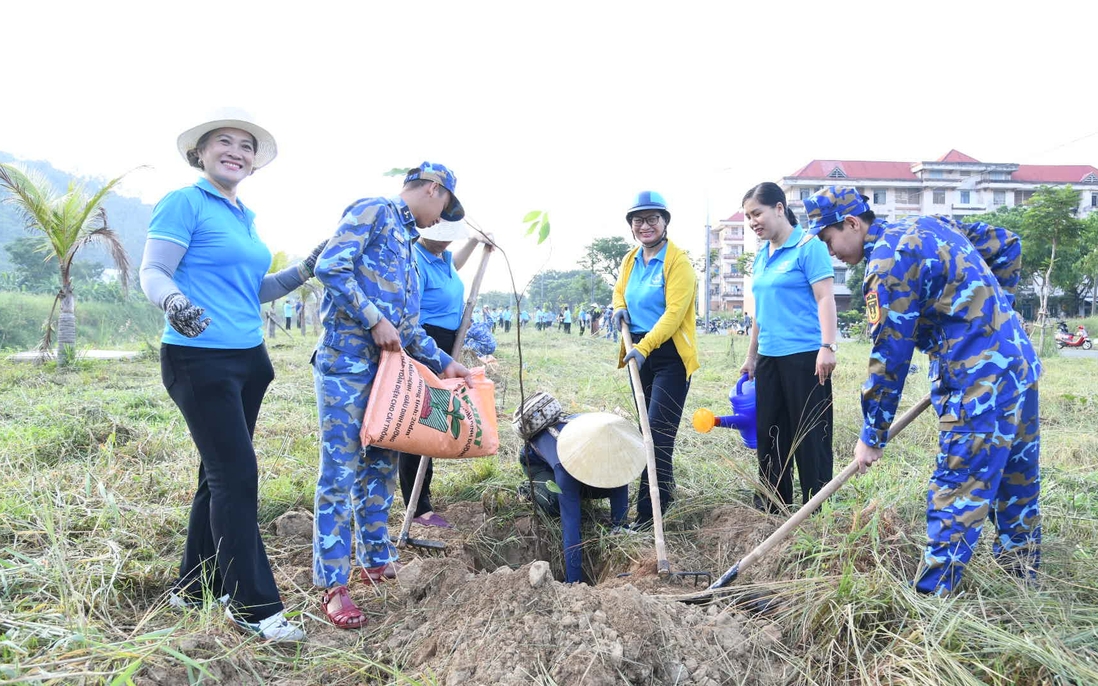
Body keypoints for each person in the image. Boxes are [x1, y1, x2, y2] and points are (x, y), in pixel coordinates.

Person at [139, 110, 324, 642]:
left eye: (246, 146)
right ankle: (254, 607)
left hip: (248, 360)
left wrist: (305, 267)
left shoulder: (243, 214)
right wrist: (173, 300)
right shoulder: (185, 202)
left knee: (215, 475)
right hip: (199, 361)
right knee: (236, 477)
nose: (237, 152)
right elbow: (154, 270)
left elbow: (254, 289)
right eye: (225, 142)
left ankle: (196, 585)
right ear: (201, 151)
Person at [805, 185, 1041, 596]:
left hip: (978, 387)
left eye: (829, 240)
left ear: (852, 223)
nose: (831, 252)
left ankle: (932, 603)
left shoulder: (887, 265)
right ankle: (1022, 590)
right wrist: (995, 315)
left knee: (957, 489)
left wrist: (871, 436)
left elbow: (889, 359)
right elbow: (1006, 245)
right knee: (1016, 487)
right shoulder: (929, 224)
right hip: (1019, 368)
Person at [312, 162, 473, 628]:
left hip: (389, 375)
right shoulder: (374, 211)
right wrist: (372, 319)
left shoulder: (406, 245)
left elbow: (406, 328)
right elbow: (330, 266)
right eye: (443, 204)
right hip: (346, 367)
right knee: (340, 473)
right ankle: (334, 586)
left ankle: (376, 559)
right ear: (432, 189)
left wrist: (446, 363)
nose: (440, 216)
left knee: (380, 467)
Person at [739, 182, 837, 513]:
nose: (753, 222)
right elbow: (759, 314)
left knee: (811, 436)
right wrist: (752, 356)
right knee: (771, 435)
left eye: (757, 213)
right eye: (749, 217)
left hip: (806, 357)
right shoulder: (760, 258)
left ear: (779, 208)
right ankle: (773, 507)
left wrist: (828, 345)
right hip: (769, 357)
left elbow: (825, 297)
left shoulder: (809, 247)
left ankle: (816, 509)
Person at [397, 219, 492, 530]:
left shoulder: (442, 257)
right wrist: (433, 351)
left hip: (448, 347)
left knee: (435, 423)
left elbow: (456, 263)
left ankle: (423, 499)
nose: (444, 244)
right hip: (425, 346)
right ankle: (418, 508)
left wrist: (477, 242)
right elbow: (409, 315)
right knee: (419, 428)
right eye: (438, 238)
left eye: (448, 239)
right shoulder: (416, 260)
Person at [611, 191, 698, 528]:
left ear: (665, 223)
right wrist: (619, 306)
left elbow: (674, 314)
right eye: (638, 220)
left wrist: (645, 347)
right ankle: (665, 498)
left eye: (652, 219)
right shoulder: (630, 259)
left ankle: (649, 515)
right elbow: (620, 290)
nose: (644, 225)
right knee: (645, 430)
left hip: (669, 357)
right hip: (639, 354)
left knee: (657, 435)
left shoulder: (679, 262)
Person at [514, 393, 638, 584]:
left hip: (574, 459)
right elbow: (570, 522)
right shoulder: (563, 466)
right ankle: (527, 489)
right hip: (536, 463)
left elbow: (619, 480)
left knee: (610, 475)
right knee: (555, 502)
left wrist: (620, 525)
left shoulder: (607, 441)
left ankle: (581, 493)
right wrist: (574, 580)